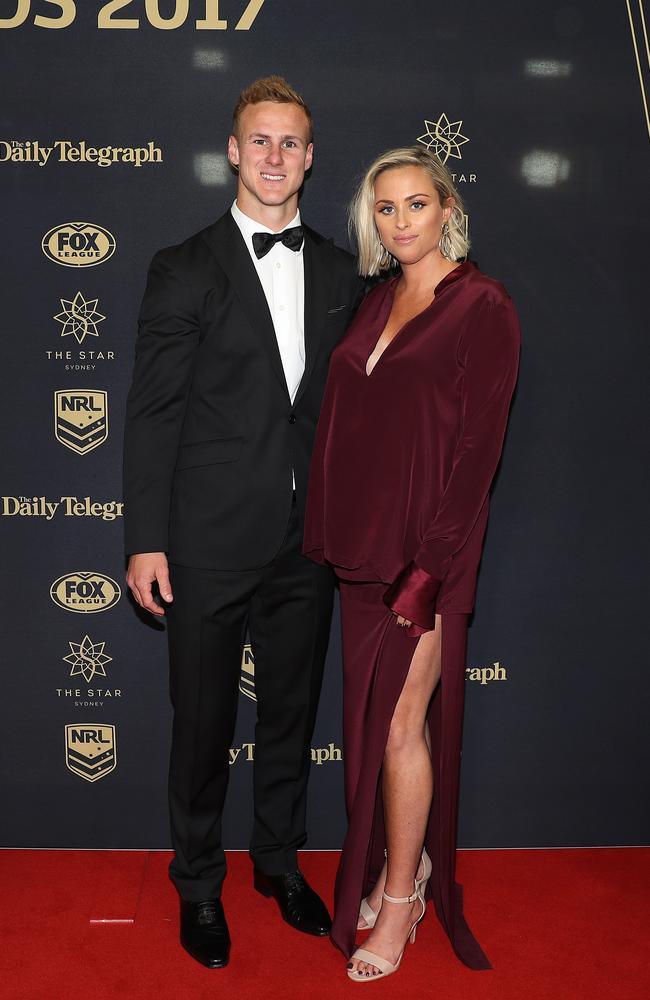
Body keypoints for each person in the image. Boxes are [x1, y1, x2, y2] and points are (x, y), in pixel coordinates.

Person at [123, 75, 363, 970]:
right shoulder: (184, 266)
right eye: (258, 141)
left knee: (292, 716)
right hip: (206, 540)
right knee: (201, 724)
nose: (274, 158)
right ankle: (196, 886)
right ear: (233, 151)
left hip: (308, 541)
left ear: (309, 156)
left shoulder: (342, 270)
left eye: (290, 143)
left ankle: (277, 865)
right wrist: (145, 539)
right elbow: (151, 414)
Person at [303, 146, 520, 981]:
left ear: (448, 208)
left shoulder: (484, 306)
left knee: (399, 726)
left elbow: (477, 453)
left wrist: (428, 571)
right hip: (361, 553)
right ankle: (404, 866)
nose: (401, 222)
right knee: (371, 730)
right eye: (385, 208)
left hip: (428, 559)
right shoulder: (375, 301)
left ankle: (400, 900)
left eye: (416, 204)